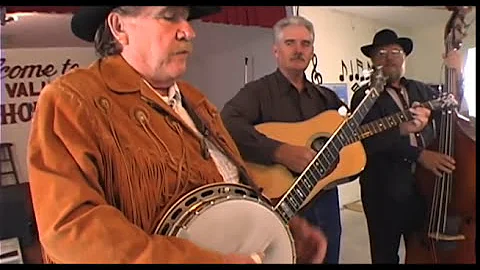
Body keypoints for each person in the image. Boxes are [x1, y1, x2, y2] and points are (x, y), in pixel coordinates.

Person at [26, 6, 328, 264]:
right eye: (169, 16)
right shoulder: (71, 100)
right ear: (119, 27)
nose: (188, 31)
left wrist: (280, 226)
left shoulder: (195, 101)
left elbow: (230, 186)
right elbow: (72, 230)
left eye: (186, 18)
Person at [220, 16, 346, 264]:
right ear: (276, 51)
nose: (299, 50)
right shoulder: (257, 92)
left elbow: (352, 131)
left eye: (305, 44)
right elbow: (225, 124)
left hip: (326, 199)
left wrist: (404, 124)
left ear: (312, 51)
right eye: (290, 43)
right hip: (284, 200)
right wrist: (278, 151)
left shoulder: (327, 98)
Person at [350, 29, 461, 264]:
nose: (389, 58)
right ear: (373, 61)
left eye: (395, 52)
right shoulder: (364, 96)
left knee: (419, 251)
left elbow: (451, 110)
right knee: (385, 255)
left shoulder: (421, 89)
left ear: (404, 58)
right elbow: (369, 142)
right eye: (381, 53)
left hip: (422, 188)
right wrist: (419, 155)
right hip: (383, 192)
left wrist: (455, 72)